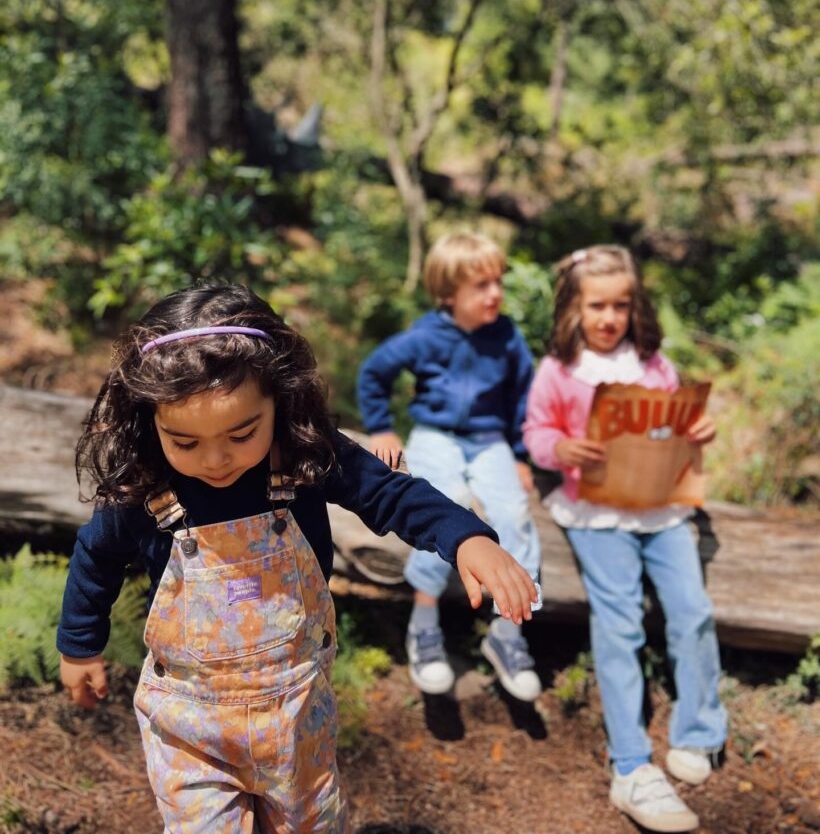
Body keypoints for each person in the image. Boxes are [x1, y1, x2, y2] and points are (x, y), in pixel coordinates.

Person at [57, 283, 539, 834]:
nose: (214, 460)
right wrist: (79, 644)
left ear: (278, 401)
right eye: (184, 442)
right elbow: (95, 557)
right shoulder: (146, 488)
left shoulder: (308, 456)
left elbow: (392, 494)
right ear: (151, 421)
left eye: (242, 433)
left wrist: (466, 537)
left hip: (296, 717)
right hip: (189, 725)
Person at [523, 245, 727, 834]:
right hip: (595, 513)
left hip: (661, 508)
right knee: (620, 623)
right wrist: (560, 449)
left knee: (692, 612)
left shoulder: (654, 364)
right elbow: (536, 431)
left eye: (620, 304)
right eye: (597, 306)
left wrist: (697, 430)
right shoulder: (559, 371)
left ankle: (700, 730)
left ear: (635, 306)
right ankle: (630, 761)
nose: (609, 317)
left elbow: (674, 425)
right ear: (574, 309)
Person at [357, 232, 542, 701]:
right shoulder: (425, 335)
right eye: (481, 286)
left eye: (498, 282)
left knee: (514, 514)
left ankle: (509, 633)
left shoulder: (507, 337)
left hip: (489, 440)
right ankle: (424, 622)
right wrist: (380, 428)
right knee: (445, 507)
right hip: (436, 436)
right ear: (448, 294)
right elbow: (374, 373)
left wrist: (520, 455)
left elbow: (523, 398)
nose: (495, 293)